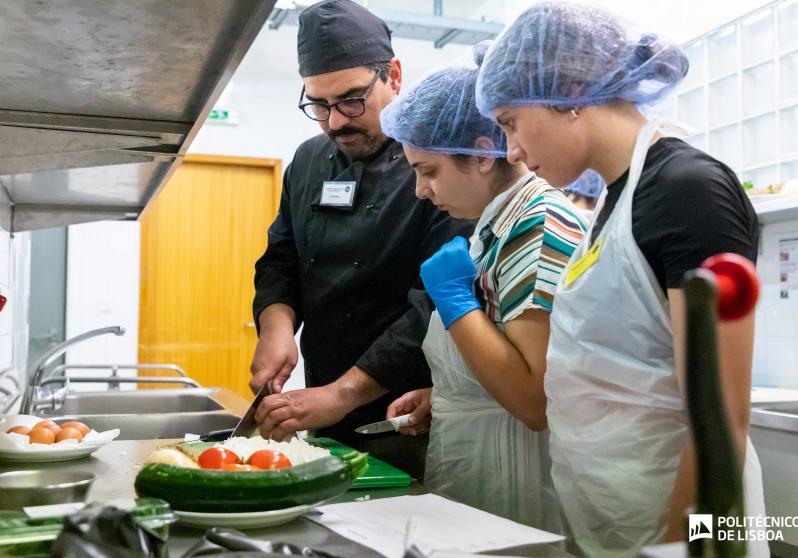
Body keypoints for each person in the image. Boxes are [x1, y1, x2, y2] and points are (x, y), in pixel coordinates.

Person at [476, 2, 767, 556]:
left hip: (684, 530)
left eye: (511, 123)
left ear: (572, 92)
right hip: (612, 521)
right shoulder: (614, 201)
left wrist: (677, 546)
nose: (511, 150)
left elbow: (722, 420)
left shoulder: (687, 191)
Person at [250, 0, 472, 475]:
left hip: (411, 416)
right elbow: (281, 260)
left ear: (393, 75)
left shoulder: (439, 165)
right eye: (319, 104)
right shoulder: (308, 162)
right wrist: (277, 326)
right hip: (324, 408)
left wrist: (344, 393)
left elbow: (432, 306)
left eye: (351, 100)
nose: (335, 122)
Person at [379, 42, 587, 530]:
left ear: (480, 154)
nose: (420, 191)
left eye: (428, 171)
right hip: (480, 464)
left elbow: (536, 400)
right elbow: (505, 354)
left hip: (516, 478)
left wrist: (455, 303)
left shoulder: (537, 225)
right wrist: (451, 391)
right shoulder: (495, 227)